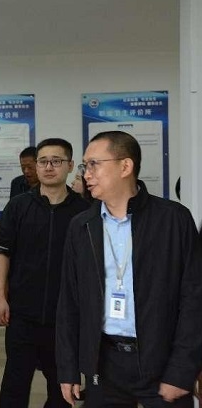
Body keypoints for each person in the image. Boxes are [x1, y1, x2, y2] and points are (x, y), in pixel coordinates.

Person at [56, 131, 202, 408]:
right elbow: (69, 303)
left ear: (125, 166)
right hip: (104, 363)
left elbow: (194, 300)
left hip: (162, 362)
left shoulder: (173, 220)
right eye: (85, 166)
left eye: (94, 164)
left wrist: (182, 369)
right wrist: (68, 368)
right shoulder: (82, 226)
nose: (86, 174)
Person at [0, 138, 89, 408]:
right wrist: (0, 297)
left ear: (69, 165)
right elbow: (2, 253)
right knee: (15, 385)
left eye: (56, 161)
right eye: (43, 161)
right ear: (36, 166)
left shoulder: (84, 211)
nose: (49, 167)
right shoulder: (18, 206)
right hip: (22, 315)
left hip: (65, 319)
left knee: (61, 388)